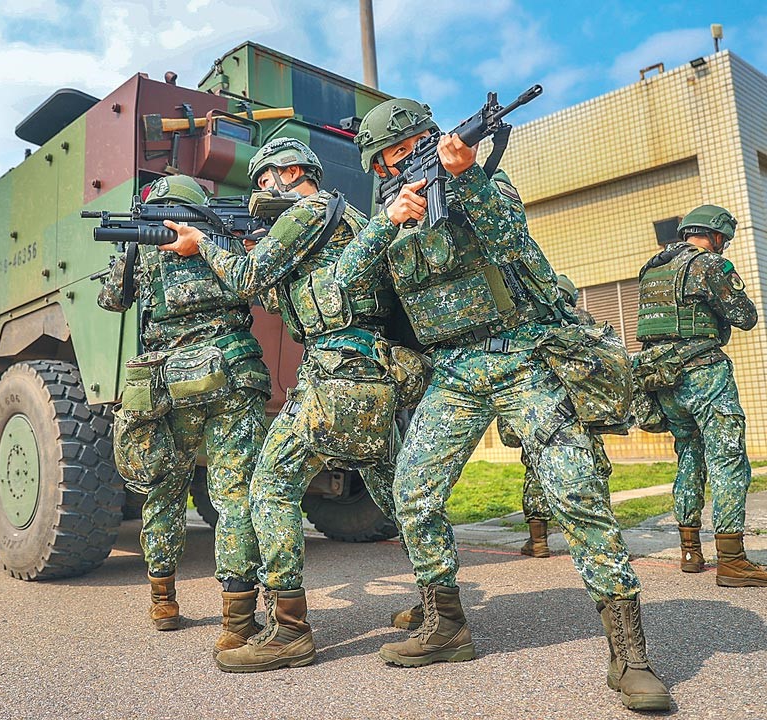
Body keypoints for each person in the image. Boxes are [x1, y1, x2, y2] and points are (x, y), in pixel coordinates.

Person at [339, 98, 670, 711]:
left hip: (520, 357)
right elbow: (345, 285)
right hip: (454, 372)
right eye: (385, 159)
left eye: (405, 151)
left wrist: (466, 178)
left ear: (427, 141)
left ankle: (630, 655)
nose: (397, 164)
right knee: (410, 489)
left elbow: (516, 243)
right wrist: (390, 221)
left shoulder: (484, 184)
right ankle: (447, 624)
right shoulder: (383, 218)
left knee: (576, 490)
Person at [160, 138, 402, 673]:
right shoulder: (349, 217)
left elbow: (250, 282)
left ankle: (290, 630)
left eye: (264, 180)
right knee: (400, 494)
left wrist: (203, 245)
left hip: (334, 373)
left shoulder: (308, 210)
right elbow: (286, 295)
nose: (260, 192)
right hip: (376, 374)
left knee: (269, 488)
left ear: (291, 171)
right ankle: (441, 608)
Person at [96, 175, 271, 655]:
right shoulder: (223, 239)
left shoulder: (145, 247)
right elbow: (260, 283)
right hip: (233, 373)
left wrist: (129, 253)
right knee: (235, 496)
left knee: (165, 488)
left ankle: (163, 600)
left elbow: (112, 300)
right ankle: (238, 620)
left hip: (168, 383)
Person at [636, 205, 765, 587]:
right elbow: (745, 316)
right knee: (728, 461)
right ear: (718, 236)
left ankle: (690, 551)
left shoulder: (652, 268)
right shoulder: (710, 265)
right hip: (704, 372)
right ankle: (733, 561)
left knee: (689, 456)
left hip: (664, 379)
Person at [497, 274, 614, 560]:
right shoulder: (583, 319)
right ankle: (603, 540)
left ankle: (538, 540)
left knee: (536, 467)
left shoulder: (529, 318)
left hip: (539, 407)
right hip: (579, 409)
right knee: (594, 467)